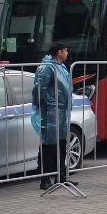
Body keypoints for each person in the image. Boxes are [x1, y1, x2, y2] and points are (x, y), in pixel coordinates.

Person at [32, 42, 77, 190]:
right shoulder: (47, 67)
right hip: (51, 110)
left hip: (62, 110)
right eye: (65, 50)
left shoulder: (61, 66)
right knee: (48, 144)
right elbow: (40, 88)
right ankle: (44, 179)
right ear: (59, 52)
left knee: (62, 143)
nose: (67, 53)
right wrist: (43, 105)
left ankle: (61, 176)